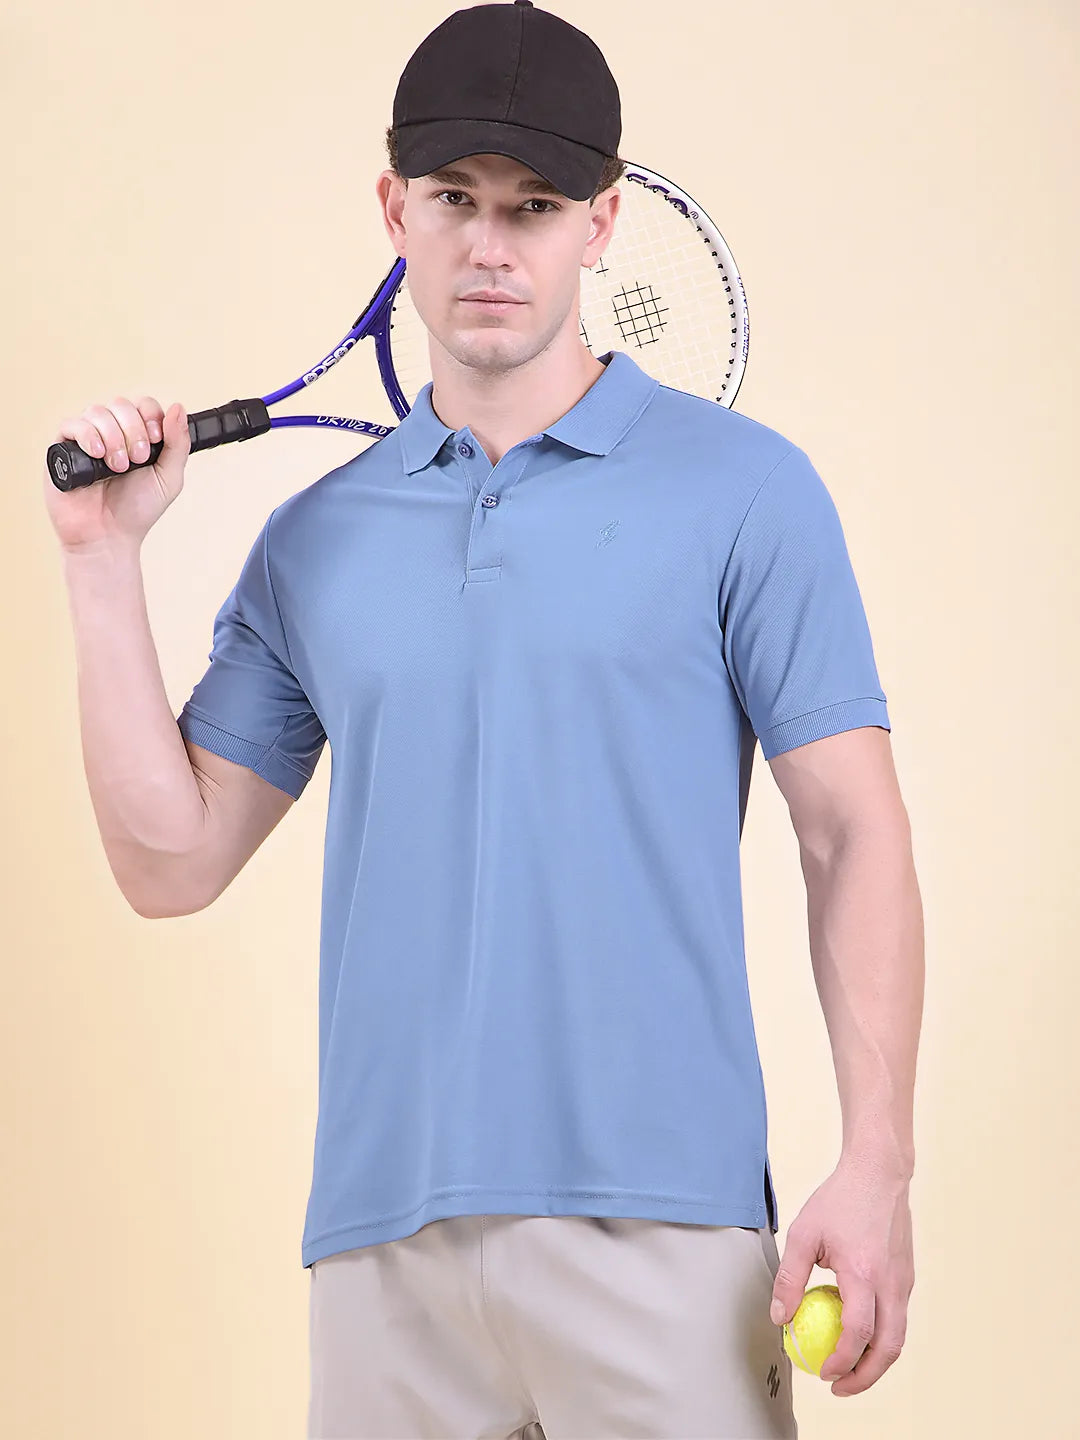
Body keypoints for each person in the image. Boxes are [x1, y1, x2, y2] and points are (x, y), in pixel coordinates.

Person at [45, 3, 922, 1437]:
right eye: (455, 199)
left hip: (668, 1236)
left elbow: (852, 832)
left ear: (604, 225)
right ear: (395, 206)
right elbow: (169, 863)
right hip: (382, 1249)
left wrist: (875, 1164)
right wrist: (101, 565)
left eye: (536, 205)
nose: (491, 245)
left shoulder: (749, 493)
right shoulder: (313, 543)